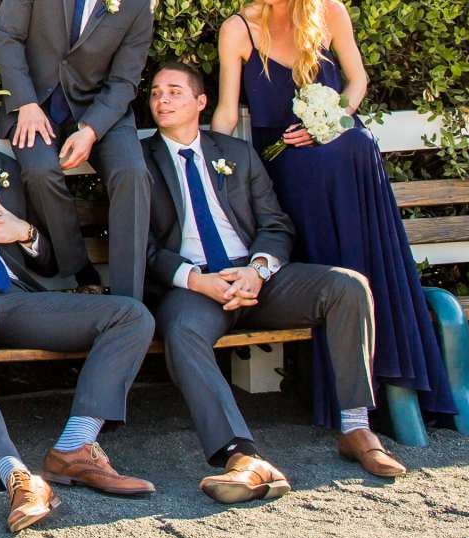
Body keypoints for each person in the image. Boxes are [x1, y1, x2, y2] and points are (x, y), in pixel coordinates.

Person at [214, 0, 453, 454]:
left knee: (352, 147)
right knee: (314, 165)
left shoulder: (332, 14)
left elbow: (357, 82)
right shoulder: (240, 28)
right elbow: (228, 112)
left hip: (339, 148)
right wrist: (216, 162)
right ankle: (345, 392)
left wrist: (332, 119)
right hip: (284, 162)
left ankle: (386, 369)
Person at [0, 59, 157, 536]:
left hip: (17, 293)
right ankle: (15, 475)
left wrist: (26, 232)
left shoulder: (10, 167)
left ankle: (76, 447)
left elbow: (48, 259)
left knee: (130, 316)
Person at [141, 61, 405, 495]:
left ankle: (356, 428)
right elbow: (142, 247)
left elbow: (276, 224)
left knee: (347, 287)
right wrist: (194, 279)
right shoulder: (139, 163)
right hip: (194, 287)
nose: (162, 100)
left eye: (174, 91)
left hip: (253, 276)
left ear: (201, 102)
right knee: (183, 332)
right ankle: (240, 454)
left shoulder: (237, 153)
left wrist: (258, 271)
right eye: (155, 93)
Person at [0, 0, 159, 297]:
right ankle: (79, 272)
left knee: (132, 174)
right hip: (37, 102)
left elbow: (125, 80)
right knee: (39, 170)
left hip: (99, 110)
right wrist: (26, 103)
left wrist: (91, 131)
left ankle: (129, 300)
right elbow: (8, 35)